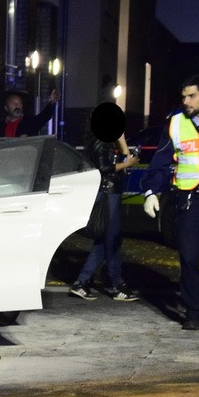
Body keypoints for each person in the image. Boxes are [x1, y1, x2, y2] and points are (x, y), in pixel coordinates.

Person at [142, 74, 199, 329]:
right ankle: (195, 312)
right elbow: (160, 161)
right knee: (189, 258)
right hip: (189, 199)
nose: (186, 100)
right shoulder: (175, 123)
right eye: (184, 96)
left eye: (192, 96)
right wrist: (150, 192)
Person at [69, 121, 140, 302]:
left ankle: (82, 282)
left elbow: (124, 154)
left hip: (108, 193)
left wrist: (123, 145)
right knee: (112, 241)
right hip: (108, 195)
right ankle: (117, 285)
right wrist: (127, 163)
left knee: (102, 243)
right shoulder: (100, 142)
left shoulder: (101, 141)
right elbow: (104, 168)